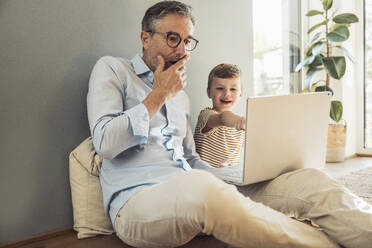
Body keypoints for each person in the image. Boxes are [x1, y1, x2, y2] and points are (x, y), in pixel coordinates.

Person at [87, 1, 372, 248]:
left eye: (188, 41)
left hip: (193, 187)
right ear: (145, 38)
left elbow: (189, 159)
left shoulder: (181, 98)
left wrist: (237, 175)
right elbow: (105, 143)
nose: (183, 50)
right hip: (137, 204)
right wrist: (160, 94)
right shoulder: (113, 69)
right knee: (203, 188)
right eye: (173, 38)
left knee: (307, 181)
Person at [194, 63, 245, 167]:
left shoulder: (240, 127)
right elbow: (223, 118)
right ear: (209, 93)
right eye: (220, 88)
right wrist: (241, 122)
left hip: (229, 176)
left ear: (240, 93)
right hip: (206, 176)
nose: (227, 94)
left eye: (233, 89)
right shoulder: (206, 115)